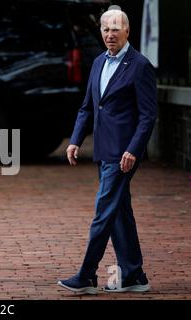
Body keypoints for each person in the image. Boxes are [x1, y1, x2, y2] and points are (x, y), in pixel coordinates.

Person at [57, 8, 157, 294]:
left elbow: (148, 115)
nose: (109, 34)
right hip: (103, 149)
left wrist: (134, 150)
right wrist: (76, 139)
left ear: (127, 31)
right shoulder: (99, 62)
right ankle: (135, 274)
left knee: (103, 211)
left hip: (124, 153)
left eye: (115, 29)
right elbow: (89, 106)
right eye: (105, 29)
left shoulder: (140, 66)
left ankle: (87, 275)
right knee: (119, 210)